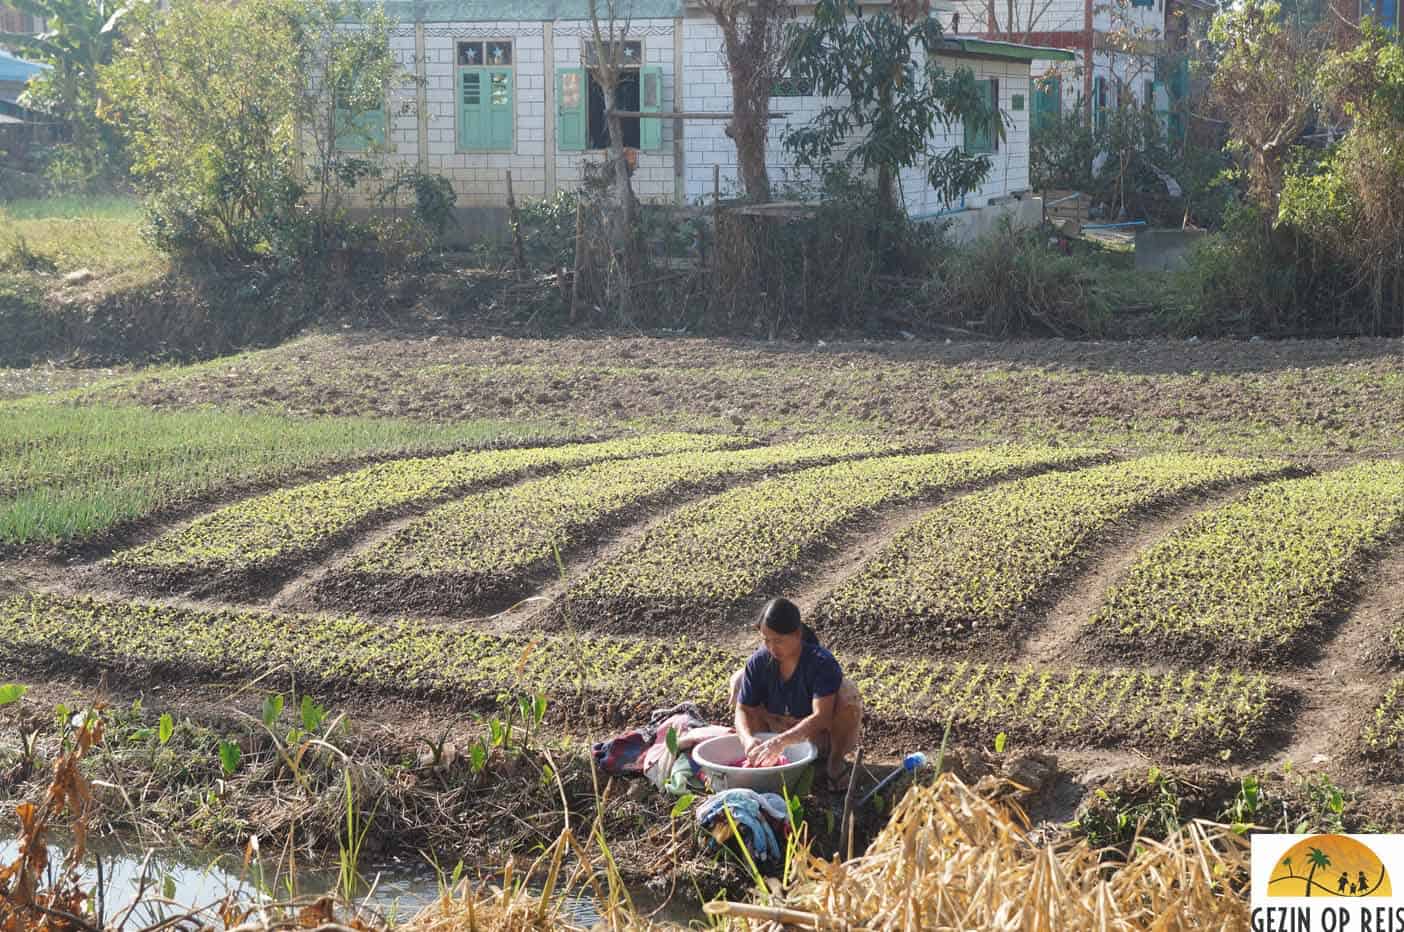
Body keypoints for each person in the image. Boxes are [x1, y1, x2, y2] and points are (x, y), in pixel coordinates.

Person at [729, 597, 863, 786]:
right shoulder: (759, 662)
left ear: (798, 634)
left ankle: (834, 763)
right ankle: (764, 764)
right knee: (739, 679)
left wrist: (781, 742)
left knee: (846, 692)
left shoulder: (820, 662)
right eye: (766, 640)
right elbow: (743, 709)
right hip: (771, 733)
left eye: (778, 640)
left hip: (816, 737)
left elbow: (821, 717)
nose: (772, 647)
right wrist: (747, 740)